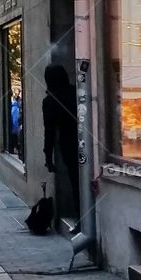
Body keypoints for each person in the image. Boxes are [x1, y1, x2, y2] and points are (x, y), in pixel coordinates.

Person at [43, 63, 80, 225]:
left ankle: (80, 217)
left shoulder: (50, 101)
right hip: (84, 141)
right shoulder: (76, 92)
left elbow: (49, 131)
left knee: (75, 181)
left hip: (68, 145)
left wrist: (48, 157)